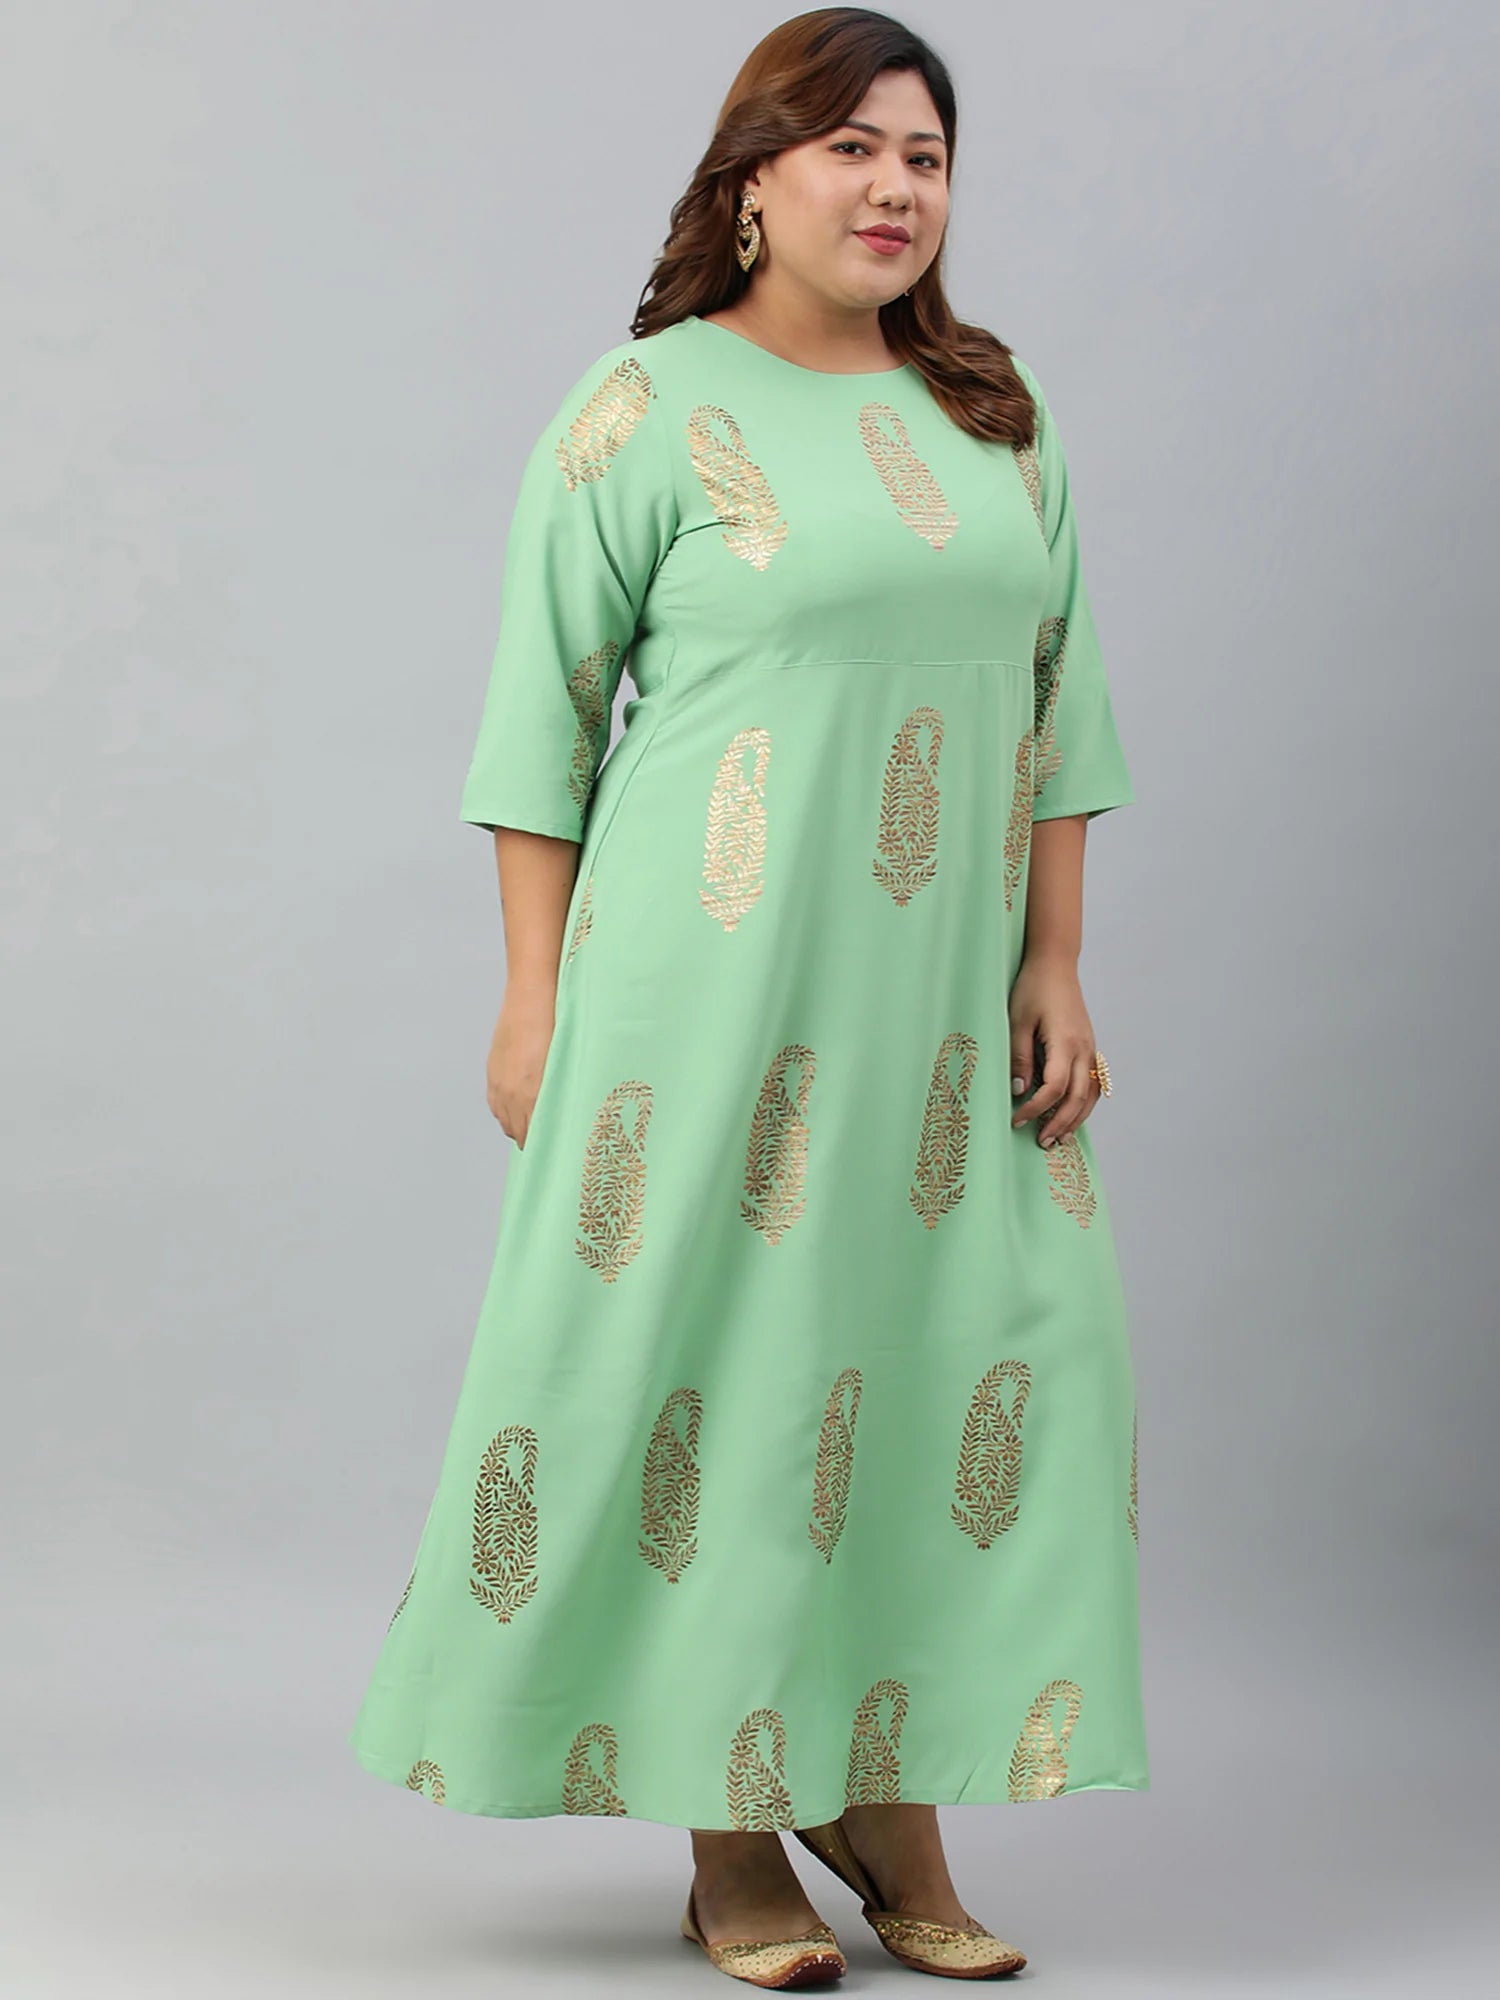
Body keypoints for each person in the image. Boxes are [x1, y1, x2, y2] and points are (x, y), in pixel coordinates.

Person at [349, 6, 1148, 1986]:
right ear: (753, 179)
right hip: (703, 1000)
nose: (894, 188)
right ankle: (730, 1828)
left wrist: (1055, 960)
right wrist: (530, 997)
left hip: (940, 1014)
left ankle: (890, 1799)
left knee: (952, 1364)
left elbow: (1060, 709)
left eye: (926, 157)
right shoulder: (641, 407)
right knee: (732, 1381)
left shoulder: (997, 414)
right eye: (852, 148)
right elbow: (539, 721)